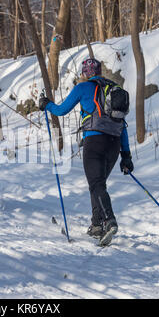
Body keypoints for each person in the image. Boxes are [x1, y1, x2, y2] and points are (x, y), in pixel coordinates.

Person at [39, 58, 134, 246]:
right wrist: (126, 156)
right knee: (98, 184)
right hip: (114, 144)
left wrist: (46, 104)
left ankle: (109, 220)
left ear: (84, 73)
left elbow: (61, 110)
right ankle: (97, 224)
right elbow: (122, 125)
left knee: (96, 183)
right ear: (99, 71)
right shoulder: (114, 89)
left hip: (94, 141)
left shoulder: (82, 88)